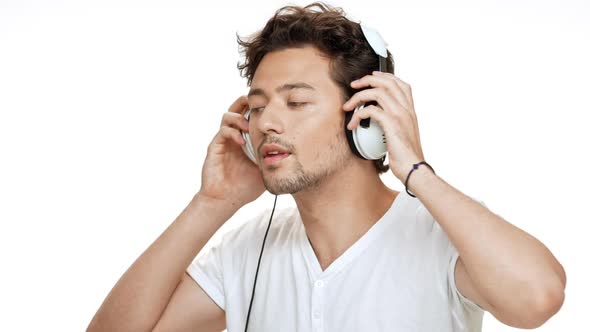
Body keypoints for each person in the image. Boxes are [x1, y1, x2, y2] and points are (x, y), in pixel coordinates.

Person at [87, 2, 566, 332]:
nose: (267, 123)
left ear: (365, 115)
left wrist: (416, 169)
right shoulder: (245, 251)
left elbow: (537, 299)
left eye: (296, 101)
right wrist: (212, 204)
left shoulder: (442, 232)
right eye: (257, 106)